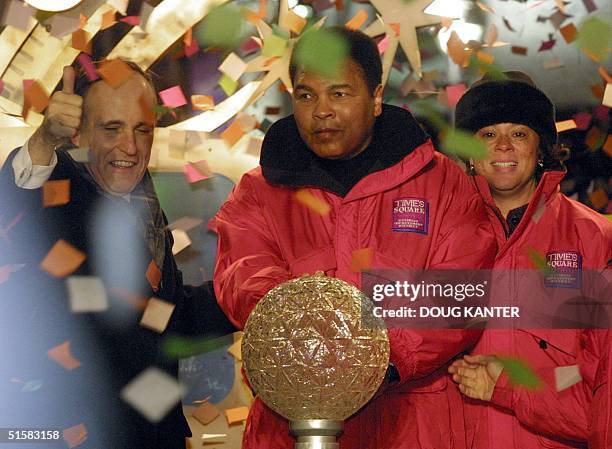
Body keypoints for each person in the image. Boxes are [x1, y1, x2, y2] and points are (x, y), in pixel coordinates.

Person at [211, 27, 497, 449]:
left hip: (410, 423)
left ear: (376, 97)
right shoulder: (258, 192)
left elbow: (459, 291)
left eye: (339, 94)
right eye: (307, 96)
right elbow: (244, 280)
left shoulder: (440, 183)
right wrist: (307, 352)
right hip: (291, 423)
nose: (322, 111)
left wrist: (377, 362)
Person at [0, 60, 235, 448]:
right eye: (111, 128)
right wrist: (44, 140)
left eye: (142, 130)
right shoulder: (54, 190)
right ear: (79, 133)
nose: (130, 146)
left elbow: (164, 315)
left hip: (154, 435)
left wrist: (254, 296)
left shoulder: (143, 200)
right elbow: (17, 195)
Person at [449, 71, 612, 449]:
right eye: (488, 134)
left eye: (519, 133)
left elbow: (599, 398)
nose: (503, 146)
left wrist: (510, 388)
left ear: (541, 148)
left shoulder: (593, 239)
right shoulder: (439, 239)